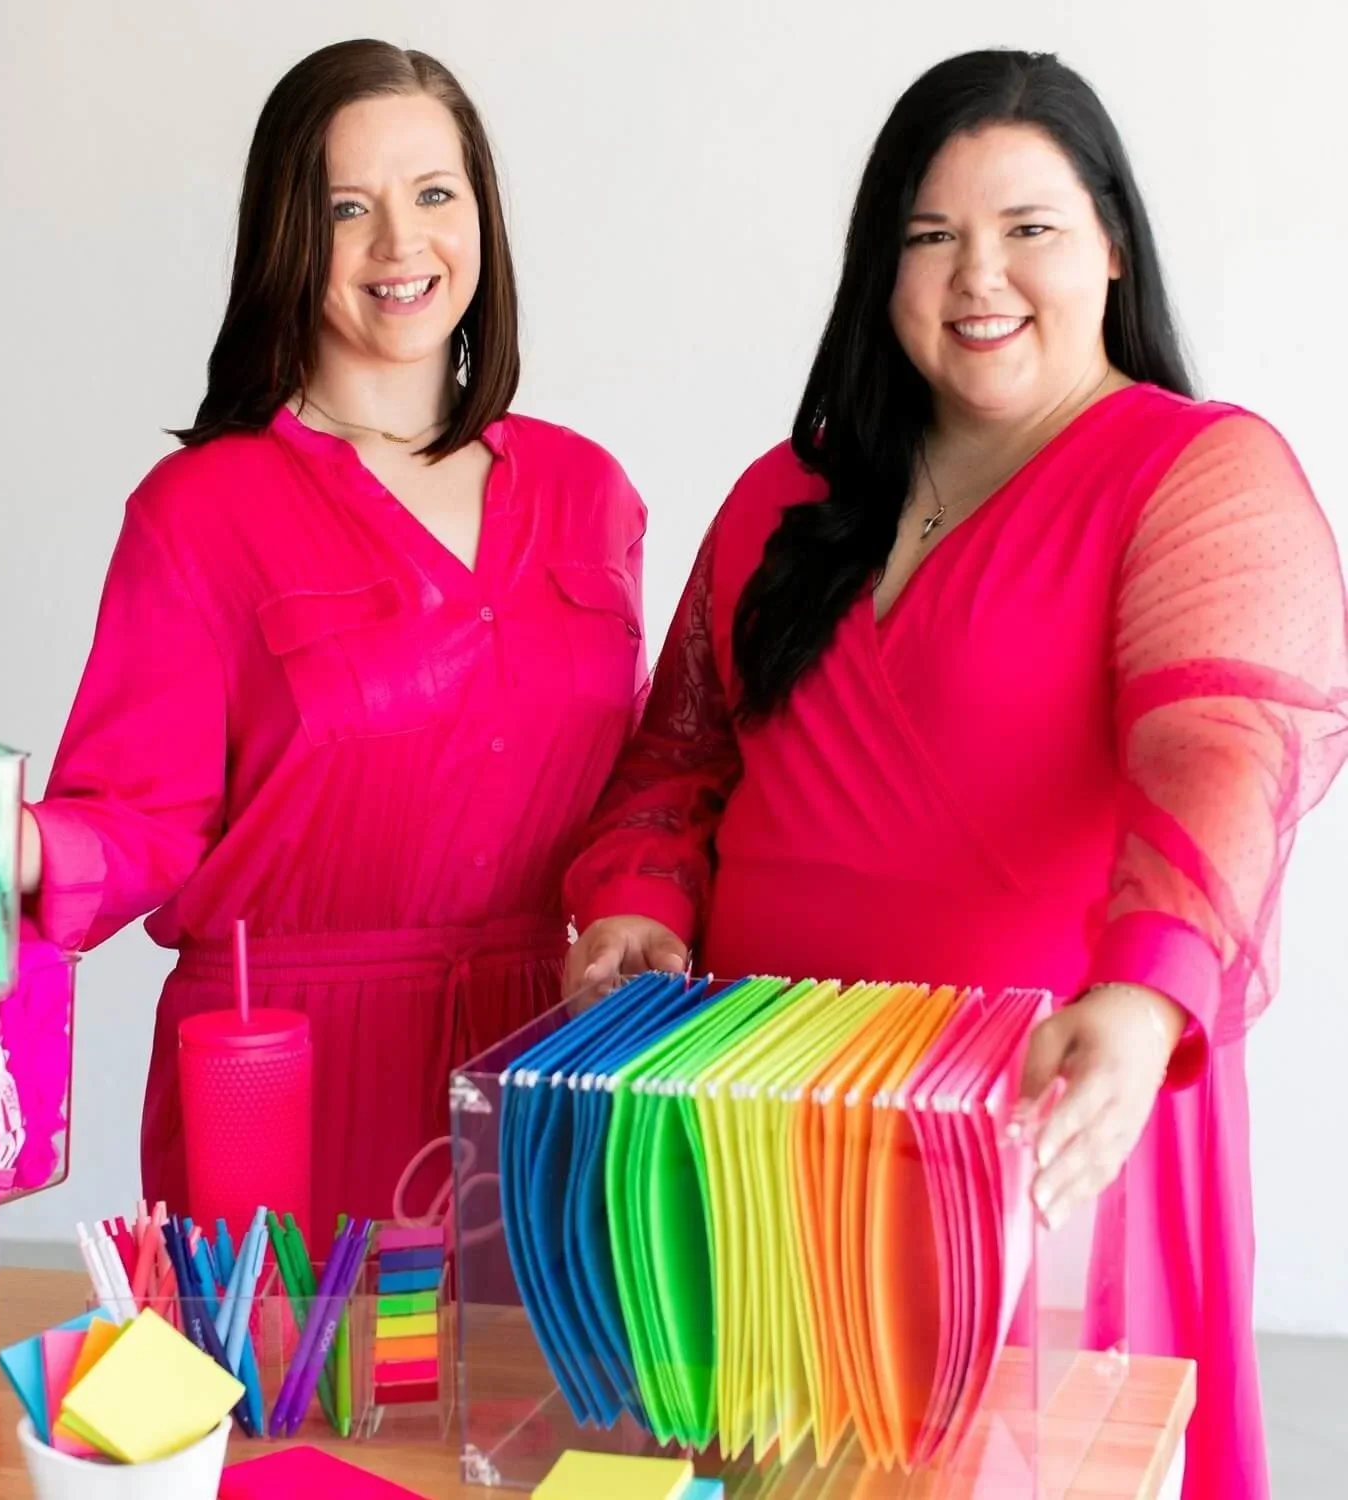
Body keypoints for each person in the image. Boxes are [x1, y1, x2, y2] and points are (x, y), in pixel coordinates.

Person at [564, 49, 1346, 1500]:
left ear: (1112, 246)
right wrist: (635, 906)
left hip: (1046, 1141)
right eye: (931, 236)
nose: (979, 275)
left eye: (1028, 227)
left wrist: (1144, 997)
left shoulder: (1199, 473)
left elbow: (1225, 747)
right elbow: (680, 757)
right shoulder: (786, 495)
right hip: (771, 1143)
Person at [0, 40, 647, 1251]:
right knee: (287, 1370)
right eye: (348, 209)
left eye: (434, 194)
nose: (401, 243)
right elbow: (139, 819)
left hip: (549, 1069)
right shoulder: (201, 512)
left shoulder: (588, 492)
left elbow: (640, 797)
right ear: (289, 236)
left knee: (531, 1373)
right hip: (279, 1072)